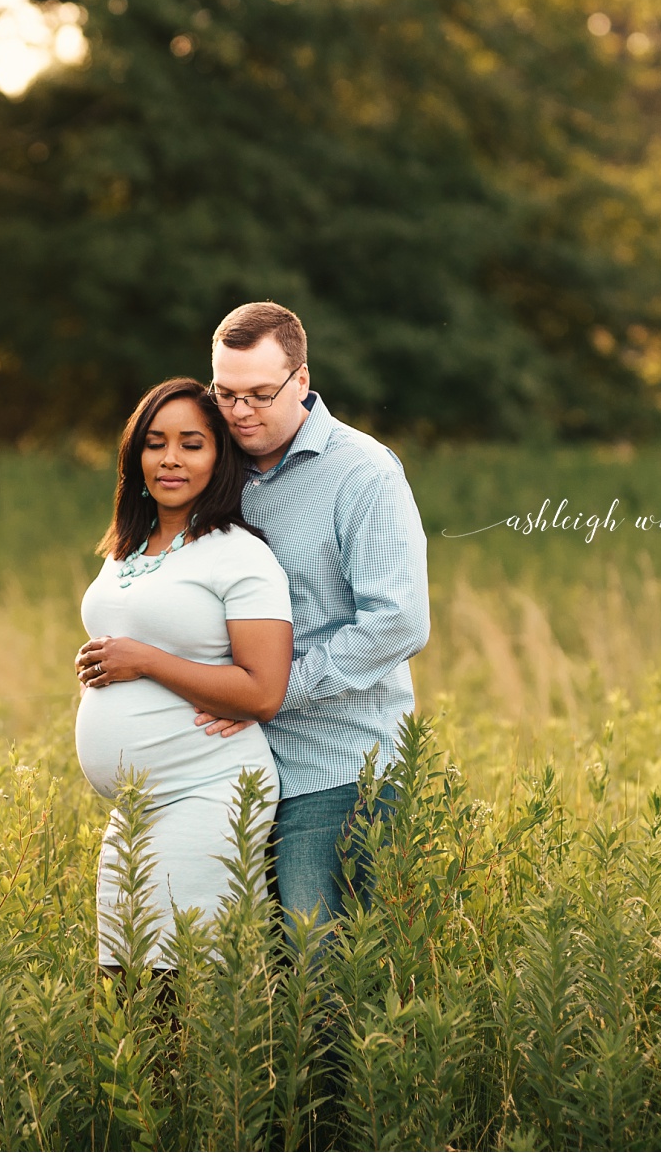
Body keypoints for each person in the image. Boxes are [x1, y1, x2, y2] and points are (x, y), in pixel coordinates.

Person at [196, 301, 430, 932]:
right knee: (246, 976)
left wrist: (268, 693)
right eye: (226, 394)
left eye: (259, 395)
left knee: (319, 978)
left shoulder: (364, 473)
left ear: (301, 381)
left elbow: (400, 622)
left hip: (336, 771)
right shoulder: (210, 467)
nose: (240, 413)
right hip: (228, 771)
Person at [72, 377, 295, 970]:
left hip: (209, 787)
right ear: (134, 455)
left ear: (219, 456)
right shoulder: (129, 547)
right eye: (154, 442)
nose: (170, 458)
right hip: (136, 804)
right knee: (121, 976)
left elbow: (264, 690)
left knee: (177, 979)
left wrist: (141, 661)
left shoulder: (239, 554)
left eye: (192, 444)